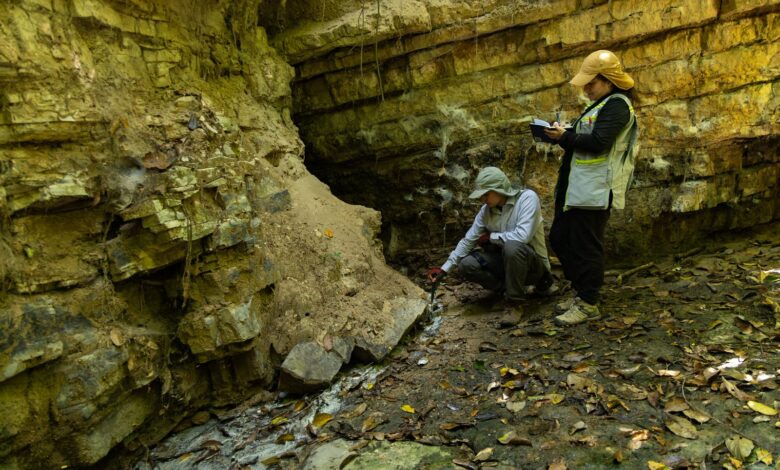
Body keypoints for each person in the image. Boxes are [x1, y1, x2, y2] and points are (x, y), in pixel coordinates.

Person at [543, 50, 638, 325]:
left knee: (586, 245)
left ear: (609, 80)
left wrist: (565, 136)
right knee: (561, 237)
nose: (586, 88)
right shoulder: (601, 104)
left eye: (591, 83)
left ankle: (588, 303)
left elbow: (598, 142)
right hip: (579, 186)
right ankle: (581, 291)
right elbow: (586, 138)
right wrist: (562, 135)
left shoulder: (618, 105)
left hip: (596, 188)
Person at [427, 167, 555, 319]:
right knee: (467, 264)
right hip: (508, 267)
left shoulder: (527, 198)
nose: (482, 199)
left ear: (499, 188)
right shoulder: (485, 211)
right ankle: (506, 291)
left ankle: (515, 303)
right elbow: (468, 241)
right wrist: (444, 270)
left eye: (486, 194)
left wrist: (491, 237)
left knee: (512, 246)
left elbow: (522, 237)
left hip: (534, 268)